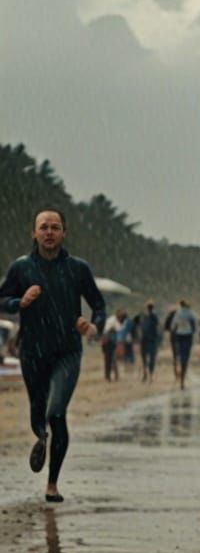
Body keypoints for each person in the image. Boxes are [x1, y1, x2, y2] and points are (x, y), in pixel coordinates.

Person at [0, 208, 105, 503]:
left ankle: (52, 484)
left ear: (63, 233)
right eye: (43, 227)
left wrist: (94, 324)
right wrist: (18, 301)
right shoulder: (21, 268)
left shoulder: (78, 269)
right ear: (34, 233)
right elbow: (1, 299)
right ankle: (41, 438)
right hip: (32, 351)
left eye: (55, 227)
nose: (49, 232)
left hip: (68, 352)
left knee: (56, 412)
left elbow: (98, 305)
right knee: (38, 412)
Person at [169, 299, 197, 389]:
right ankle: (183, 377)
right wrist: (193, 332)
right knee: (186, 355)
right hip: (188, 336)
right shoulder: (190, 313)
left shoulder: (178, 313)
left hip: (179, 335)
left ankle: (181, 370)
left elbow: (173, 326)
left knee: (180, 354)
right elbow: (194, 324)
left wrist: (174, 334)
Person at [138, 301, 160, 381]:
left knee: (144, 357)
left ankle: (145, 372)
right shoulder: (154, 316)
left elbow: (141, 327)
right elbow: (157, 328)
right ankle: (150, 374)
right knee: (152, 358)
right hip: (152, 340)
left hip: (144, 339)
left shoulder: (143, 316)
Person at [100, 309, 123, 381]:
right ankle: (109, 376)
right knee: (109, 360)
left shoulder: (115, 321)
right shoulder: (112, 321)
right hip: (108, 343)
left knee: (111, 360)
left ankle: (112, 376)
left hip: (110, 343)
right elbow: (107, 332)